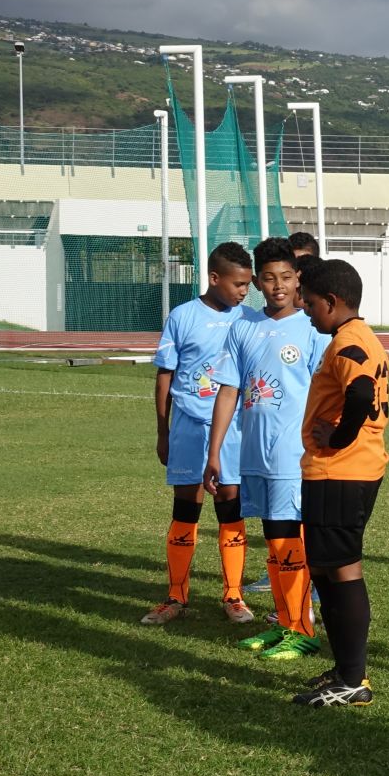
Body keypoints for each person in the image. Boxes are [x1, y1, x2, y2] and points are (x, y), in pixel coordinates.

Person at [204, 239, 329, 660]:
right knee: (273, 543)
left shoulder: (312, 330)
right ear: (257, 281)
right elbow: (228, 390)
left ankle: (302, 626)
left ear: (299, 280)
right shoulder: (243, 326)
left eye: (287, 277)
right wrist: (215, 450)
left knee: (286, 541)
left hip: (293, 456)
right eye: (270, 278)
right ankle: (283, 622)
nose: (278, 286)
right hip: (253, 454)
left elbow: (326, 393)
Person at [143, 242, 260, 625]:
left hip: (233, 431)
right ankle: (176, 596)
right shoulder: (182, 316)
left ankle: (234, 597)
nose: (244, 291)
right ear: (214, 278)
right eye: (238, 283)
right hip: (189, 429)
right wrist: (163, 432)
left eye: (247, 284)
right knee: (186, 507)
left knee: (230, 505)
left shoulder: (250, 320)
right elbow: (165, 376)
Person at [291, 259, 389, 707]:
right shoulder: (358, 337)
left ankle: (353, 679)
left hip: (341, 471)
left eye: (310, 303)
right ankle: (346, 669)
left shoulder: (348, 342)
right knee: (328, 569)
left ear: (332, 302)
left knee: (342, 568)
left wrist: (340, 436)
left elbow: (360, 392)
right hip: (345, 471)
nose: (305, 310)